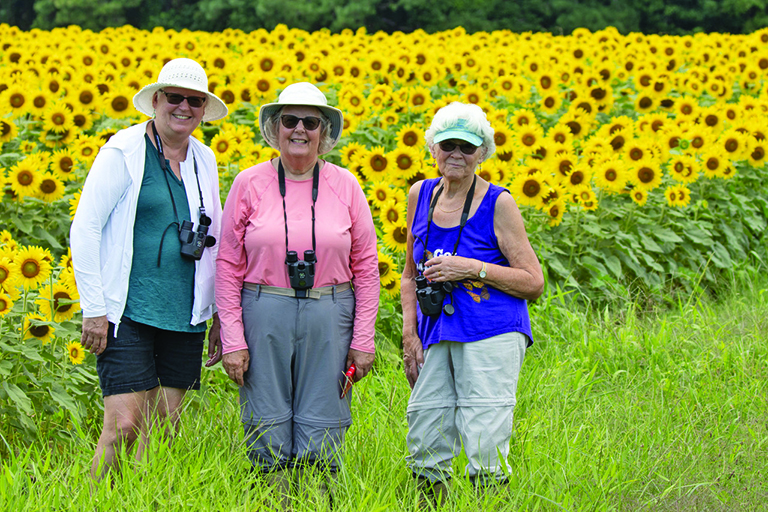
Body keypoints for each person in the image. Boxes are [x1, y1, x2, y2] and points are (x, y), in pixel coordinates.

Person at [215, 82, 379, 499]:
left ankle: (317, 497)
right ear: (275, 128)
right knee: (265, 412)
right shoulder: (249, 183)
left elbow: (366, 268)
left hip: (331, 308)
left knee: (325, 412)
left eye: (311, 121)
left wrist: (363, 339)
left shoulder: (346, 185)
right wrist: (232, 339)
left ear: (324, 131)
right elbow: (228, 264)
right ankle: (272, 498)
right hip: (264, 306)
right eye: (290, 120)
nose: (300, 129)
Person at [70, 58, 228, 481]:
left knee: (163, 428)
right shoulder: (121, 151)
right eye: (174, 98)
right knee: (123, 425)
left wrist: (216, 314)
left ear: (202, 109)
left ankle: (144, 501)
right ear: (156, 100)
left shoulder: (204, 159)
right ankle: (91, 501)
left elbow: (214, 238)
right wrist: (94, 308)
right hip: (127, 311)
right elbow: (84, 229)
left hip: (183, 314)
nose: (183, 107)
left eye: (194, 101)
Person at [400, 102, 544, 501]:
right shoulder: (420, 195)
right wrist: (410, 335)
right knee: (425, 430)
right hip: (434, 332)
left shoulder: (499, 203)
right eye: (448, 145)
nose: (456, 155)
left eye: (467, 146)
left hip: (491, 331)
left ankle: (489, 502)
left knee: (484, 436)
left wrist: (472, 269)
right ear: (433, 149)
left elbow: (533, 282)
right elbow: (409, 274)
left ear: (483, 152)